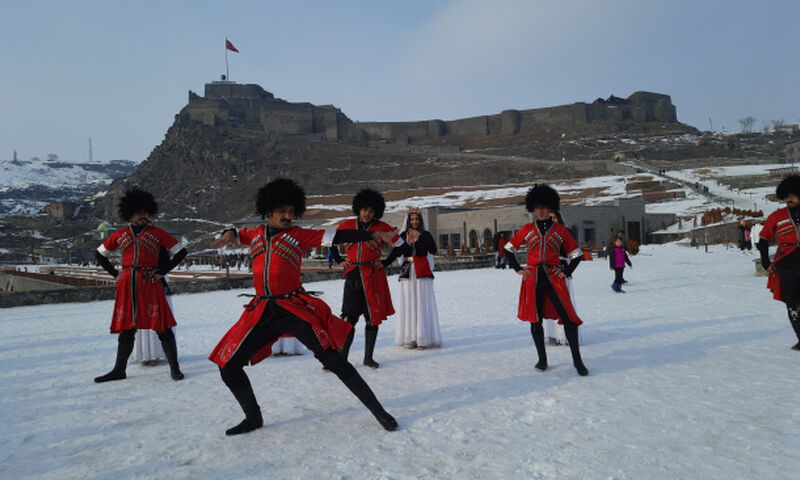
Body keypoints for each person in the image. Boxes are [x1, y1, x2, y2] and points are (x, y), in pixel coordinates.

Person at [209, 178, 398, 435]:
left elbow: (338, 236)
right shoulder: (252, 234)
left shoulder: (300, 235)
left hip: (294, 309)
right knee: (227, 365)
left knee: (335, 361)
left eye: (291, 211)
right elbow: (235, 234)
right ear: (268, 211)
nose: (287, 216)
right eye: (282, 211)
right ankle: (253, 417)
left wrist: (373, 234)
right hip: (262, 312)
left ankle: (380, 412)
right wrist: (229, 230)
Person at [94, 188, 187, 382]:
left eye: (145, 212)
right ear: (130, 214)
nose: (143, 216)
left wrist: (162, 271)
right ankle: (119, 370)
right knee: (127, 329)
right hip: (127, 285)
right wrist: (113, 273)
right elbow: (100, 254)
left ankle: (175, 368)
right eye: (138, 212)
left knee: (163, 327)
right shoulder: (119, 234)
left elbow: (180, 252)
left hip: (150, 283)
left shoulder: (158, 233)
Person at [504, 184, 589, 376]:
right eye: (538, 207)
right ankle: (542, 360)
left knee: (568, 319)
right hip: (532, 279)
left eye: (544, 207)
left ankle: (578, 361)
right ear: (533, 208)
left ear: (550, 208)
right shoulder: (526, 229)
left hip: (554, 278)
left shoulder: (561, 231)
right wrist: (518, 268)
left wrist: (566, 271)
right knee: (535, 321)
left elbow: (577, 254)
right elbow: (509, 249)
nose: (541, 211)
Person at [330, 189, 402, 368]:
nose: (367, 213)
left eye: (370, 210)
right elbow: (330, 242)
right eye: (364, 209)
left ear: (375, 211)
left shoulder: (383, 227)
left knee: (372, 318)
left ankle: (368, 357)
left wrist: (386, 262)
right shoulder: (346, 225)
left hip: (373, 276)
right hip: (353, 275)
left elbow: (400, 246)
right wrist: (339, 260)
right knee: (349, 317)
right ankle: (341, 358)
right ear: (358, 209)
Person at [383, 207, 442, 349]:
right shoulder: (403, 235)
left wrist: (421, 239)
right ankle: (411, 337)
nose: (414, 221)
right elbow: (397, 251)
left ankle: (423, 337)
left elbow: (432, 250)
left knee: (422, 301)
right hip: (407, 270)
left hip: (421, 268)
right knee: (409, 301)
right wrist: (384, 263)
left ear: (420, 221)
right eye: (412, 219)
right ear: (408, 221)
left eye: (416, 219)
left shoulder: (426, 234)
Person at [757, 175, 800, 351]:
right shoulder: (777, 216)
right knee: (792, 304)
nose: (789, 199)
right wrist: (766, 262)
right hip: (786, 265)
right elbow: (763, 240)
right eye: (787, 195)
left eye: (794, 195)